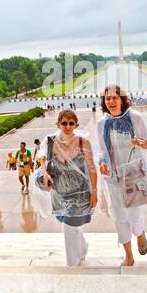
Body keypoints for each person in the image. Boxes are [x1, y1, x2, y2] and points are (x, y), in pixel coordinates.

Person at [97, 84, 147, 267]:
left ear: (122, 99)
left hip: (133, 173)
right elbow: (101, 150)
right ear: (104, 101)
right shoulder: (102, 123)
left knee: (133, 211)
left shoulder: (135, 117)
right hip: (113, 176)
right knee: (119, 215)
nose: (111, 102)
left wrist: (143, 143)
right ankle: (128, 255)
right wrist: (102, 163)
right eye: (108, 98)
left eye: (115, 98)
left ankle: (140, 233)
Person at [40, 109, 98, 266]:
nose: (67, 126)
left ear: (76, 124)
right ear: (58, 124)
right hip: (59, 193)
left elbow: (92, 168)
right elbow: (42, 160)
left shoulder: (83, 142)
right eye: (64, 123)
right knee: (69, 224)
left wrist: (94, 193)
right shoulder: (50, 141)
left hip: (80, 192)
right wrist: (45, 174)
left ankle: (71, 265)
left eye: (71, 123)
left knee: (67, 227)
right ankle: (83, 246)